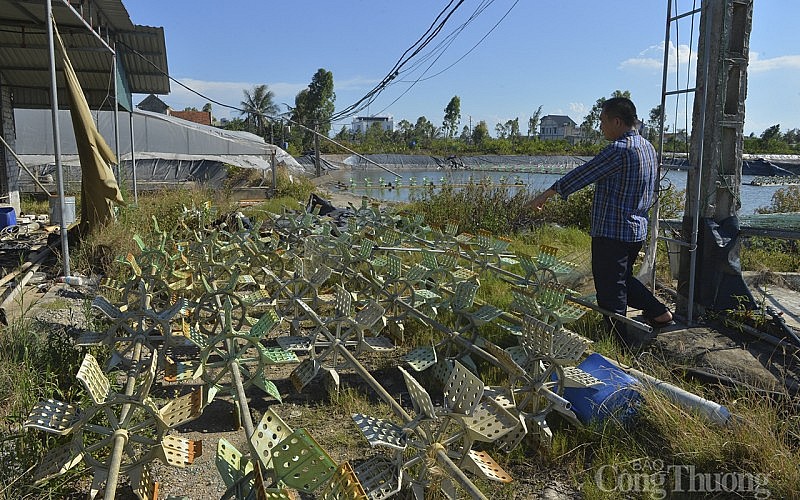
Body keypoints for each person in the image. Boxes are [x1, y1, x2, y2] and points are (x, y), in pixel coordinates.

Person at [527, 97, 673, 341]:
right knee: (621, 280)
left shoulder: (619, 150)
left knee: (609, 293)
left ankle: (618, 343)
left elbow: (582, 174)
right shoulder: (647, 147)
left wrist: (545, 194)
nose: (601, 127)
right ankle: (659, 313)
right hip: (636, 229)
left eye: (603, 121)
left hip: (612, 232)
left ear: (617, 121)